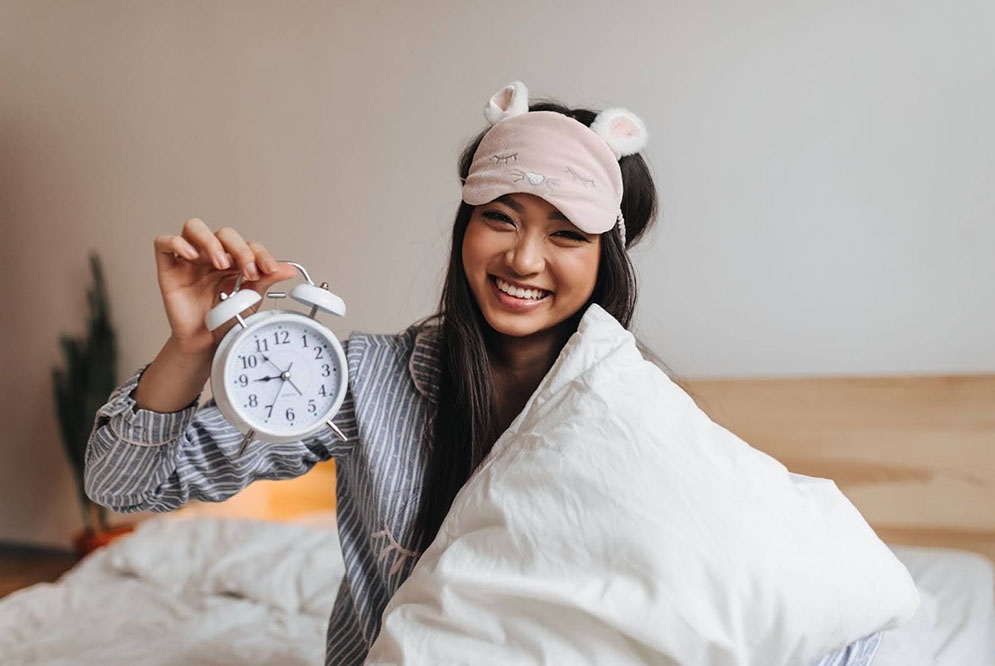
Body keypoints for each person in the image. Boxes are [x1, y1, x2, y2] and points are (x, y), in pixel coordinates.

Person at [85, 81, 882, 666]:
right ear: (464, 225)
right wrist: (192, 344)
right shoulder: (365, 380)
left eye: (565, 233)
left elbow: (775, 594)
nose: (523, 259)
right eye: (499, 217)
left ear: (607, 257)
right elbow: (119, 483)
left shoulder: (636, 413)